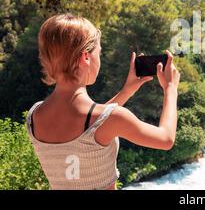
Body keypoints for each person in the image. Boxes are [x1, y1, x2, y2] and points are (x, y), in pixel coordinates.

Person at [25, 13, 180, 190]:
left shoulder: (34, 116)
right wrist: (170, 89)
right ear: (86, 58)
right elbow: (166, 139)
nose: (100, 58)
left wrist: (126, 91)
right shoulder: (113, 118)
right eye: (99, 52)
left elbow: (92, 126)